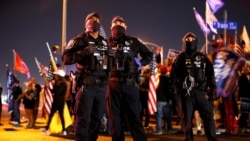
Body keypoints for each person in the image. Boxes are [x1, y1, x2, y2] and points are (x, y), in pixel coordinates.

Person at [62, 12, 109, 141]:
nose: (94, 21)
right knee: (83, 119)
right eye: (91, 19)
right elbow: (65, 58)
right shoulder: (79, 40)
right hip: (86, 86)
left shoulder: (104, 42)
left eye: (96, 19)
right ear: (86, 23)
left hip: (101, 87)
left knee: (96, 120)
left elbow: (109, 62)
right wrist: (83, 52)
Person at [106, 16, 153, 141]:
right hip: (112, 85)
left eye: (120, 23)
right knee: (114, 119)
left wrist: (139, 63)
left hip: (130, 84)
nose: (118, 25)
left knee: (134, 118)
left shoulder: (134, 41)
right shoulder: (105, 43)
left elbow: (149, 55)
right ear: (111, 27)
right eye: (115, 23)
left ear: (125, 27)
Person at [170, 32, 218, 141]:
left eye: (192, 39)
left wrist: (214, 89)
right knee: (187, 121)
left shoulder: (202, 58)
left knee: (208, 117)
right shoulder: (179, 59)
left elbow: (211, 74)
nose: (190, 41)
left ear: (196, 41)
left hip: (201, 92)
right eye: (187, 39)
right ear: (184, 42)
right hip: (186, 94)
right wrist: (174, 93)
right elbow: (173, 78)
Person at [41, 69, 67, 135]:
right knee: (52, 115)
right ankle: (47, 129)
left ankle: (64, 130)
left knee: (61, 116)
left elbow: (56, 92)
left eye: (56, 75)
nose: (55, 76)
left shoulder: (63, 84)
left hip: (60, 102)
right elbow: (53, 91)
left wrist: (51, 89)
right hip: (56, 101)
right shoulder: (57, 83)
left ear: (59, 76)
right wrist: (49, 87)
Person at [154, 65, 174, 135]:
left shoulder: (157, 79)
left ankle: (159, 130)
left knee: (159, 116)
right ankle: (166, 129)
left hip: (159, 99)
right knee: (167, 116)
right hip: (167, 100)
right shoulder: (168, 80)